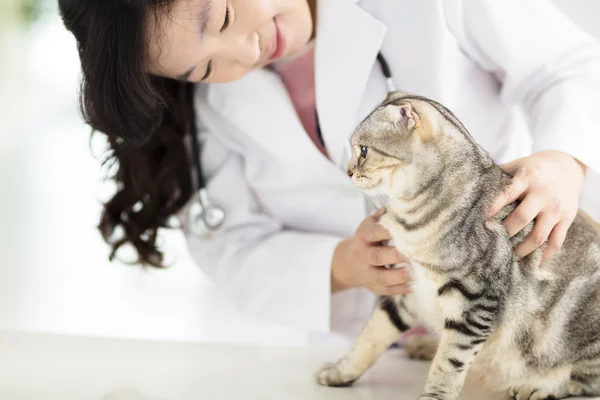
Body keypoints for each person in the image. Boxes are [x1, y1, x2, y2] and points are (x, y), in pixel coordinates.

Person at [58, 0, 600, 346]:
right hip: (389, 350)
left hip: (525, 311)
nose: (240, 54)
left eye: (221, 17)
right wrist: (343, 264)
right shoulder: (214, 112)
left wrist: (561, 160)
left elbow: (568, 68)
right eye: (201, 67)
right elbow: (234, 250)